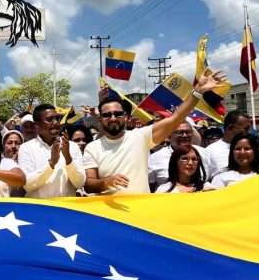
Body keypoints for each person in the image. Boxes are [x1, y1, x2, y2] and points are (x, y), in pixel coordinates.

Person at [83, 71, 225, 195]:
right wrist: (106, 182)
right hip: (108, 214)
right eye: (107, 115)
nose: (113, 118)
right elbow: (88, 185)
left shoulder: (141, 136)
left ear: (125, 116)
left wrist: (198, 92)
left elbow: (176, 118)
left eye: (117, 114)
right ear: (100, 119)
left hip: (141, 211)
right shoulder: (92, 148)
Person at [18, 104, 86, 198]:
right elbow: (27, 185)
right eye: (50, 120)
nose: (56, 123)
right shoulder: (26, 148)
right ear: (37, 125)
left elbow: (80, 183)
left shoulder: (72, 147)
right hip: (38, 206)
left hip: (65, 206)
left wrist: (68, 158)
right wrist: (51, 163)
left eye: (57, 118)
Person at [148, 120, 209, 190]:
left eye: (188, 132)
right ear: (169, 134)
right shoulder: (155, 158)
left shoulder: (204, 153)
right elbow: (150, 187)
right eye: (180, 132)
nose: (185, 135)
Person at [204, 111, 251, 177]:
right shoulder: (209, 151)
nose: (248, 132)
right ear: (230, 127)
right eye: (246, 129)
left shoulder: (253, 148)